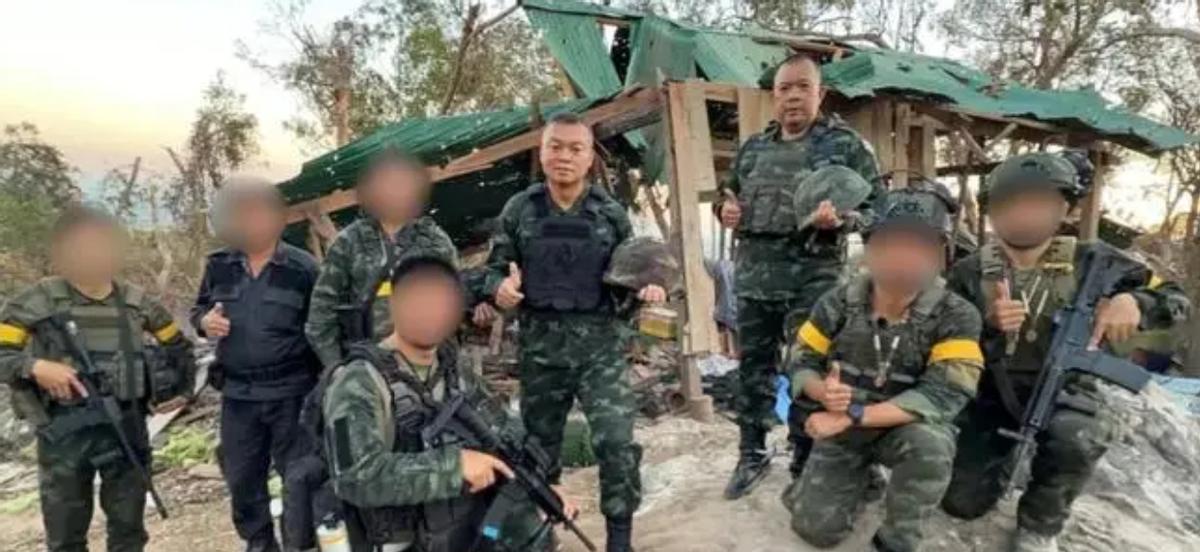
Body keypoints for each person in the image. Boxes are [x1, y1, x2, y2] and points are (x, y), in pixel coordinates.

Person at [939, 152, 1191, 552]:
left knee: (1077, 434)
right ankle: (1004, 464)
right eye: (1011, 203)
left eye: (1038, 202)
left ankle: (1041, 523)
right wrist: (987, 325)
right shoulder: (970, 272)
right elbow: (943, 339)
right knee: (961, 503)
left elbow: (1175, 299)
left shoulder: (1096, 261)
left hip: (1068, 392)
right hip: (992, 395)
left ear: (1066, 209)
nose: (1024, 213)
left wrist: (1135, 301)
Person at [483, 112, 664, 552]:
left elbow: (632, 274)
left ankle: (619, 540)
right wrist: (498, 288)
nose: (564, 156)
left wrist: (648, 289)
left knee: (616, 443)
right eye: (556, 146)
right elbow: (492, 270)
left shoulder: (610, 213)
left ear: (589, 158)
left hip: (601, 352)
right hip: (541, 352)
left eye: (575, 148)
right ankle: (540, 534)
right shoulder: (519, 210)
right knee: (538, 451)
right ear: (542, 151)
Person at [321, 249, 576, 551]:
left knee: (531, 531)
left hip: (463, 529)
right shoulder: (358, 382)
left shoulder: (453, 368)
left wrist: (545, 484)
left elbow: (504, 427)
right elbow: (352, 477)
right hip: (402, 542)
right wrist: (454, 468)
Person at [715, 52, 883, 498]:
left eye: (802, 87)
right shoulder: (754, 148)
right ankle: (751, 453)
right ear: (774, 96)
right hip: (755, 277)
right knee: (754, 370)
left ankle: (805, 458)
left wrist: (843, 219)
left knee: (808, 367)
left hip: (813, 279)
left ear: (820, 93)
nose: (792, 96)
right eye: (784, 88)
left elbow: (877, 210)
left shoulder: (846, 146)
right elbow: (728, 195)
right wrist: (726, 210)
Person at [783, 185, 984, 552]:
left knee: (931, 445)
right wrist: (820, 390)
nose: (904, 257)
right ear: (870, 249)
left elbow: (943, 394)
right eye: (890, 243)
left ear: (941, 255)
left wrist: (852, 415)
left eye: (920, 245)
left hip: (901, 426)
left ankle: (897, 538)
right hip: (843, 425)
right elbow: (800, 359)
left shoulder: (958, 315)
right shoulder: (837, 303)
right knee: (815, 531)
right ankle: (864, 480)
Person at [0, 205, 195, 552]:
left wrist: (179, 391)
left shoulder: (137, 302)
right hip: (64, 432)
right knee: (65, 535)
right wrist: (36, 367)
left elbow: (178, 349)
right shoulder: (37, 302)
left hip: (126, 426)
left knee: (128, 531)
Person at [191, 177, 321, 552]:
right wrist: (204, 322)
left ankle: (300, 544)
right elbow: (198, 311)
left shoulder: (303, 268)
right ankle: (260, 544)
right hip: (238, 395)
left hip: (292, 392)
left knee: (298, 477)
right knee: (242, 478)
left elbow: (324, 326)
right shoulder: (219, 265)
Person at [306, 149, 458, 369]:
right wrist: (337, 369)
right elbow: (321, 315)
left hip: (423, 368)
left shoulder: (435, 242)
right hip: (364, 366)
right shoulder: (350, 242)